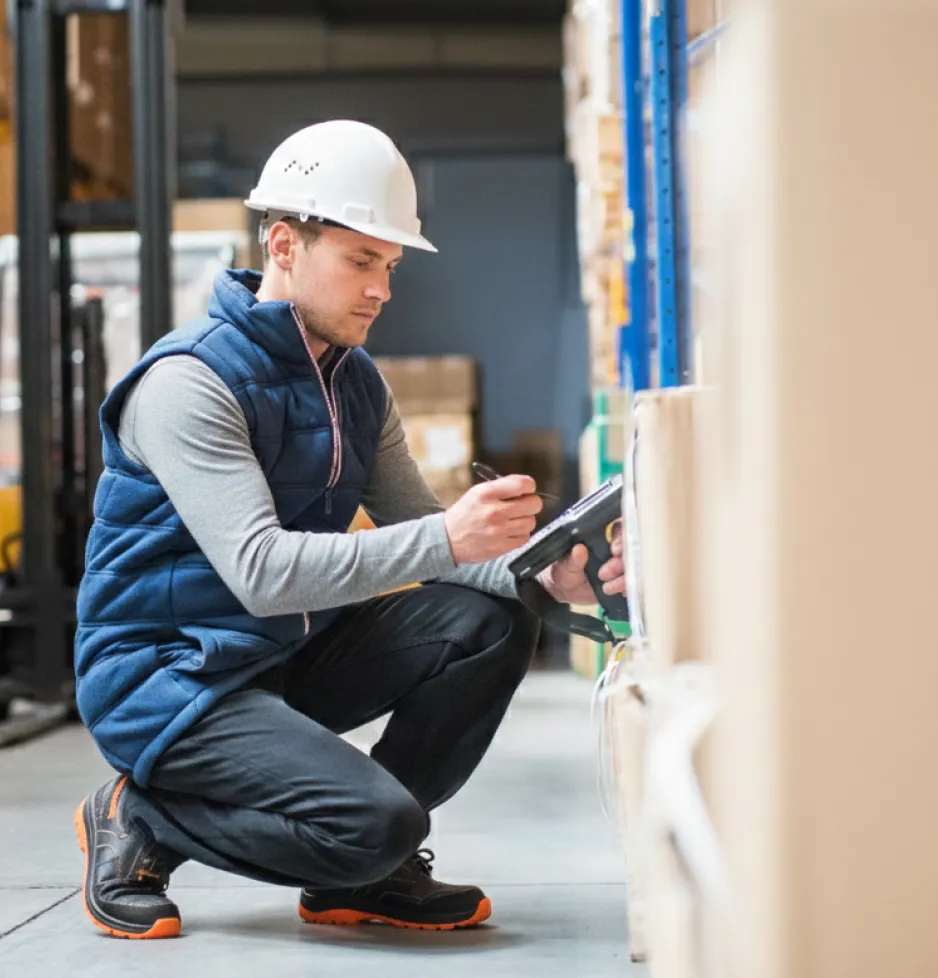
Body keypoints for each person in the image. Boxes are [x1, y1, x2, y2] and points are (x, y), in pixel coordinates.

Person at [72, 119, 628, 941]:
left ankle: (363, 876)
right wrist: (452, 539)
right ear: (285, 245)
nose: (381, 289)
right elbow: (261, 572)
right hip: (168, 679)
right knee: (377, 826)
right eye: (361, 261)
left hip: (277, 655)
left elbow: (428, 536)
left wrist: (544, 577)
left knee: (488, 620)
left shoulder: (355, 385)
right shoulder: (188, 383)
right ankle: (144, 812)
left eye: (390, 266)